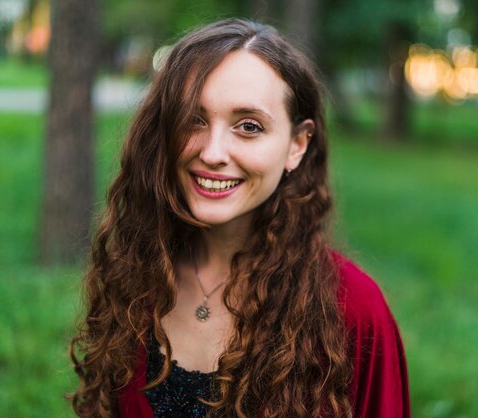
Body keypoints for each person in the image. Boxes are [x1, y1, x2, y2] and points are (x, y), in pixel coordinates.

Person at [70, 18, 410, 418]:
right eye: (193, 119)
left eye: (248, 126)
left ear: (297, 145)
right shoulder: (133, 276)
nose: (213, 152)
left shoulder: (353, 310)